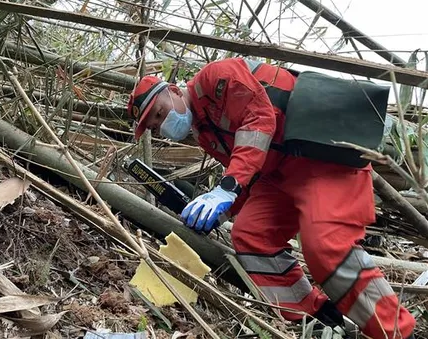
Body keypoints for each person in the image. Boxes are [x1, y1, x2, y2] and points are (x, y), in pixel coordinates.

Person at [126, 57, 416, 339]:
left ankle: (395, 331)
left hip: (320, 158)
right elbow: (247, 171)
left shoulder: (217, 77)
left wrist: (227, 188)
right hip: (278, 176)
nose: (162, 125)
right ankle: (315, 317)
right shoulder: (204, 131)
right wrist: (220, 211)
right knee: (251, 235)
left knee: (325, 245)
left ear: (174, 91)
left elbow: (260, 118)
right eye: (155, 125)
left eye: (161, 113)